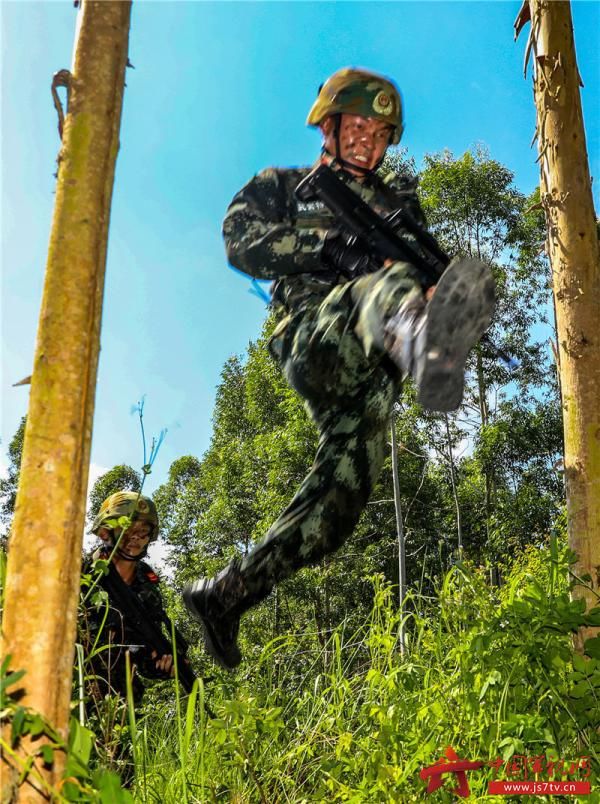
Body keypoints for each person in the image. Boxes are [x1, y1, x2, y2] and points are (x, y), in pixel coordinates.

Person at [183, 67, 495, 670]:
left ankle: (227, 594)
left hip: (371, 378)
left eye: (381, 134)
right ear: (328, 124)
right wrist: (326, 249)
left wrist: (443, 294)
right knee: (391, 284)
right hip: (313, 337)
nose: (367, 142)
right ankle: (415, 337)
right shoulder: (288, 186)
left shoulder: (400, 210)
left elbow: (442, 280)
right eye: (357, 126)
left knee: (340, 504)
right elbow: (238, 239)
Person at [82, 491, 178, 702]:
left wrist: (159, 666)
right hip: (71, 689)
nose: (135, 537)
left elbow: (142, 654)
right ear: (105, 533)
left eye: (143, 531)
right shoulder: (82, 575)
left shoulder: (147, 585)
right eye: (127, 529)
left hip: (118, 703)